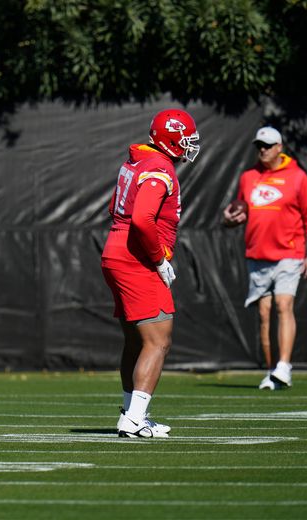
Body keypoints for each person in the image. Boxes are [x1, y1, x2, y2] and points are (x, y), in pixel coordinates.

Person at [101, 108, 200, 438]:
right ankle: (133, 419)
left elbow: (118, 205)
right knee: (159, 342)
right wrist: (158, 259)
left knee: (136, 341)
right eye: (185, 140)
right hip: (137, 257)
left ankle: (133, 414)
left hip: (116, 251)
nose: (189, 147)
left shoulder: (137, 161)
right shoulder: (158, 167)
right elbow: (143, 219)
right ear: (170, 140)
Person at [222, 126, 307, 390]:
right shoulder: (248, 177)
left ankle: (284, 366)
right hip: (257, 255)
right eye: (259, 146)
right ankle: (272, 372)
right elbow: (238, 213)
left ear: (279, 147)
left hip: (289, 253)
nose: (262, 150)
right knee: (264, 314)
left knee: (283, 306)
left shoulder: (298, 177)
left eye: (267, 145)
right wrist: (229, 218)